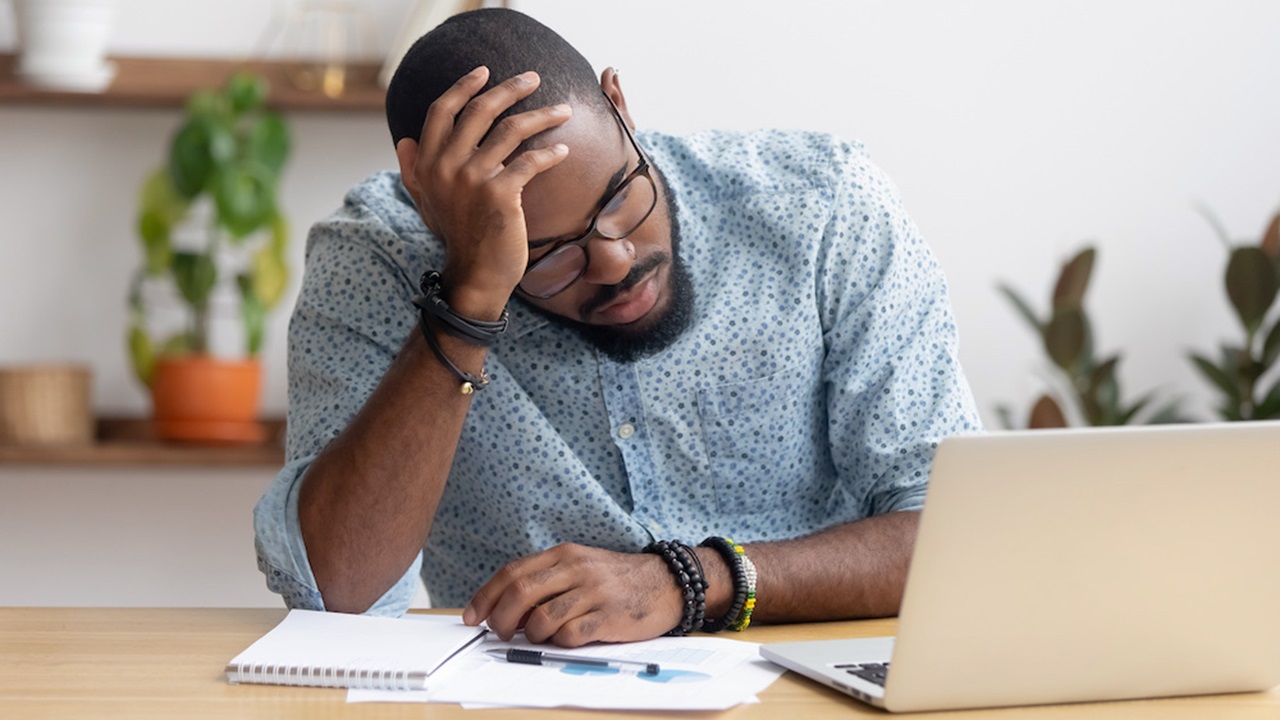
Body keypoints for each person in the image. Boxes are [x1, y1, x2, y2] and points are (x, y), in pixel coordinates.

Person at [254, 7, 982, 647]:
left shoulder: (822, 208)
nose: (614, 260)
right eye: (544, 255)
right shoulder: (375, 257)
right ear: (429, 207)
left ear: (620, 105)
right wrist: (471, 294)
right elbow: (338, 591)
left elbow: (956, 536)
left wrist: (689, 582)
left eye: (620, 196)